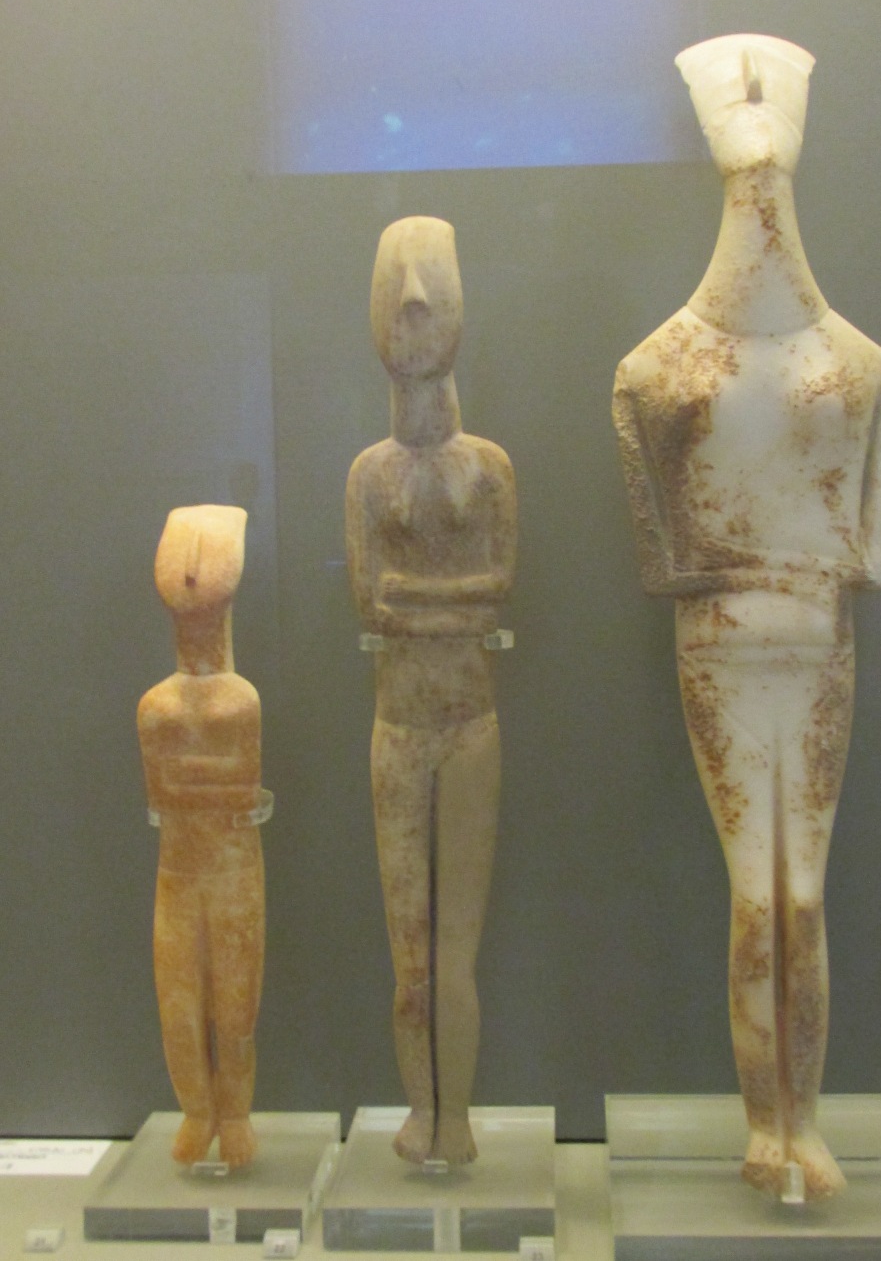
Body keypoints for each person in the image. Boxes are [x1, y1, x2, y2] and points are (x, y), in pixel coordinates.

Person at [613, 35, 881, 1199]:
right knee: (760, 893)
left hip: (811, 644)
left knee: (800, 894)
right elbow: (660, 560)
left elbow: (869, 554)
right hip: (726, 649)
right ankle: (765, 1128)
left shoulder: (868, 371)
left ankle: (801, 1124)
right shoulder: (654, 371)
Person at [346, 216, 517, 1164]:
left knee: (454, 957)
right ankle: (423, 1116)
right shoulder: (369, 476)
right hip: (398, 727)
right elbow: (368, 599)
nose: (412, 305)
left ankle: (455, 1124)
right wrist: (437, 600)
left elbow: (497, 586)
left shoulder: (486, 468)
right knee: (409, 959)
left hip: (466, 722)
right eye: (396, 290)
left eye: (429, 289)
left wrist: (421, 598)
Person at [137, 505, 270, 1168]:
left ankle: (235, 1114)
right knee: (180, 1008)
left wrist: (195, 784)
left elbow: (240, 787)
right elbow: (163, 792)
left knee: (236, 1008)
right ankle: (197, 1112)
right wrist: (207, 785)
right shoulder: (157, 705)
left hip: (233, 872)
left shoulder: (241, 700)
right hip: (180, 874)